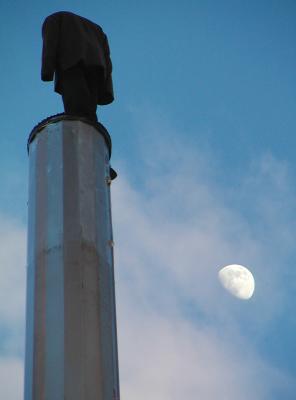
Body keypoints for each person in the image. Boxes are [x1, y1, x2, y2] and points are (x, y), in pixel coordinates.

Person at [41, 11, 114, 122]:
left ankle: (76, 127)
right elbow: (107, 59)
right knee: (90, 109)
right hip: (97, 68)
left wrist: (47, 71)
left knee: (76, 106)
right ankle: (89, 128)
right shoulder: (97, 29)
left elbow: (50, 43)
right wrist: (106, 89)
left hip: (70, 62)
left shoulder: (53, 19)